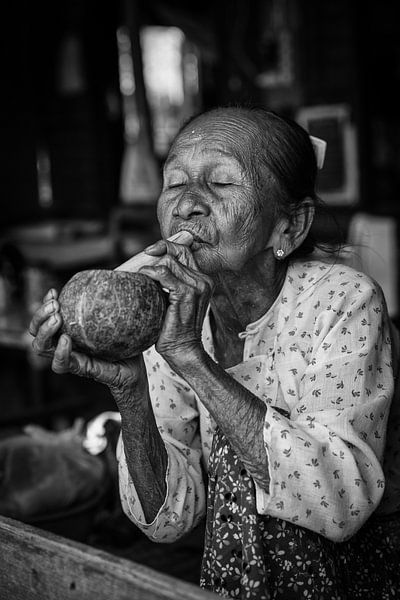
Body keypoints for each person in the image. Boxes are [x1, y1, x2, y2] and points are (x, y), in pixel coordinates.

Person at [29, 106, 400, 599]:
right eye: (175, 183)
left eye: (222, 184)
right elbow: (169, 521)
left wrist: (190, 358)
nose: (186, 206)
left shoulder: (343, 301)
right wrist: (131, 388)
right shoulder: (168, 310)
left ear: (288, 226)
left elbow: (339, 505)